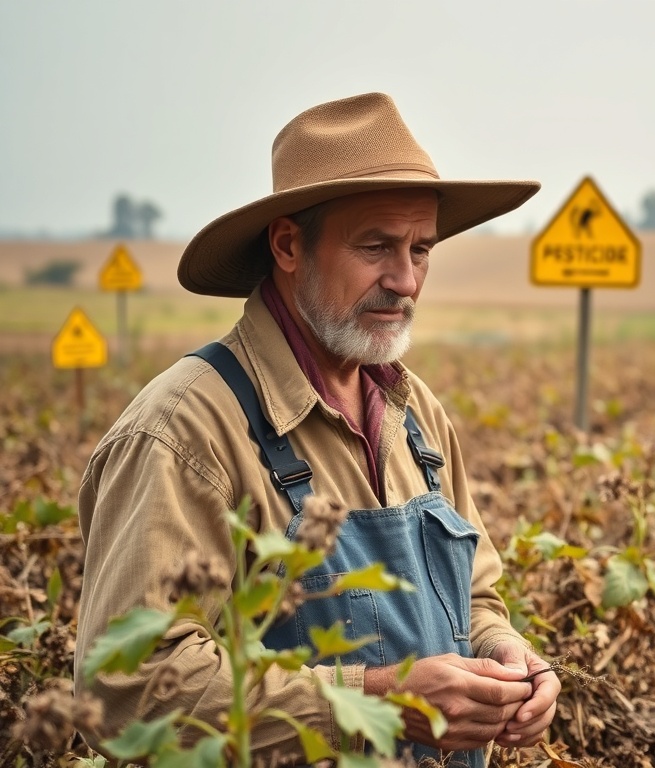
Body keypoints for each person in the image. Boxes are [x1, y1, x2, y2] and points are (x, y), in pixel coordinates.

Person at [74, 92, 560, 766]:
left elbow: (474, 597)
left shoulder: (416, 413)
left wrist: (505, 655)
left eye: (421, 249)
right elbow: (127, 687)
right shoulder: (184, 431)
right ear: (288, 245)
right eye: (377, 247)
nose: (405, 279)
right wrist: (381, 703)